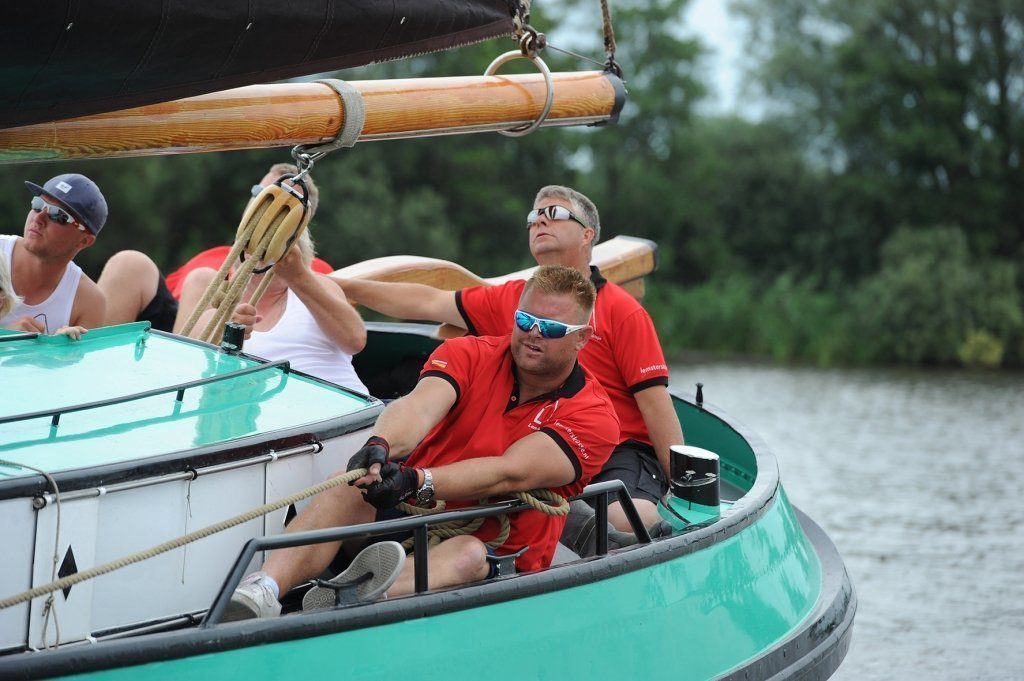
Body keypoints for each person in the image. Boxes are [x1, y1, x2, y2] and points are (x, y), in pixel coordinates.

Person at [225, 265, 619, 619]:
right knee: (351, 487)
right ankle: (262, 591)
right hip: (414, 513)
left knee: (467, 553)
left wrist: (416, 481)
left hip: (495, 552)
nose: (533, 333)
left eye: (550, 328)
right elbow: (420, 407)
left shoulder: (595, 417)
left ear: (583, 338)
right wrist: (382, 443)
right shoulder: (469, 352)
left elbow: (508, 474)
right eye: (524, 319)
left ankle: (341, 606)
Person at [334, 185, 684, 531]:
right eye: (534, 217)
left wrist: (684, 490)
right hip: (531, 440)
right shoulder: (510, 297)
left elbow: (655, 405)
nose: (540, 222)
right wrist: (340, 287)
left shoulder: (624, 313)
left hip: (616, 447)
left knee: (628, 519)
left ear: (587, 234)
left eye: (555, 213)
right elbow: (426, 302)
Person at [175, 167, 368, 392]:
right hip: (261, 420)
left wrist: (299, 278)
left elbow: (354, 340)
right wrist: (228, 331)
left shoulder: (316, 288)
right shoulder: (212, 304)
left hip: (341, 414)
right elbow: (183, 368)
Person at [96, 162, 335, 332]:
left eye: (281, 203)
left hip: (220, 341)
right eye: (260, 193)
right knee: (129, 264)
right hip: (173, 327)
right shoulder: (212, 255)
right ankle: (86, 367)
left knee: (202, 280)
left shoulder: (306, 269)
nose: (261, 203)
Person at [0, 174, 108, 334]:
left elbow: (79, 360)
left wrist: (58, 351)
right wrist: (6, 339)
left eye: (59, 215)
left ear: (84, 241)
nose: (39, 217)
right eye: (38, 205)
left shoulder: (89, 301)